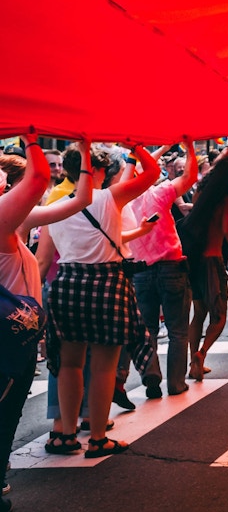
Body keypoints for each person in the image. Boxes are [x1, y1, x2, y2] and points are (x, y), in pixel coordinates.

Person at [46, 141, 161, 458]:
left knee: (69, 365)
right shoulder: (110, 197)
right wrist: (133, 145)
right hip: (108, 282)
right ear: (95, 170)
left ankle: (66, 436)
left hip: (67, 283)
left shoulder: (55, 206)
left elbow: (46, 259)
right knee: (102, 368)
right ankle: (97, 437)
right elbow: (153, 172)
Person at [0, 131, 93, 496]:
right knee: (4, 418)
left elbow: (80, 200)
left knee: (7, 417)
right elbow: (38, 179)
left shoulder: (11, 221)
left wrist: (84, 152)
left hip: (16, 339)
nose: (6, 181)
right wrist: (31, 135)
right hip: (7, 342)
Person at [125, 138, 199, 396]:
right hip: (171, 267)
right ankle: (176, 383)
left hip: (141, 272)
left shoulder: (122, 200)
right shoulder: (161, 192)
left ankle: (151, 374)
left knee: (148, 330)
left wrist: (141, 151)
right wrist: (189, 147)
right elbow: (190, 176)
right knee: (178, 330)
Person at [181, 148, 228, 380]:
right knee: (219, 316)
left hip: (194, 260)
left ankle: (193, 358)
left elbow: (216, 169)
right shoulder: (225, 200)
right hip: (212, 261)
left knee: (199, 313)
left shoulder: (201, 194)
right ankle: (202, 354)